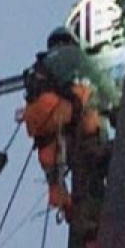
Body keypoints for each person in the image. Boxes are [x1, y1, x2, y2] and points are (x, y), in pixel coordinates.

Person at [20, 27, 105, 214]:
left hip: (34, 117)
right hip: (52, 108)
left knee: (52, 168)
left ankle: (65, 205)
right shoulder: (73, 54)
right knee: (86, 93)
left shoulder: (41, 63)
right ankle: (95, 148)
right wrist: (116, 104)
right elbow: (98, 78)